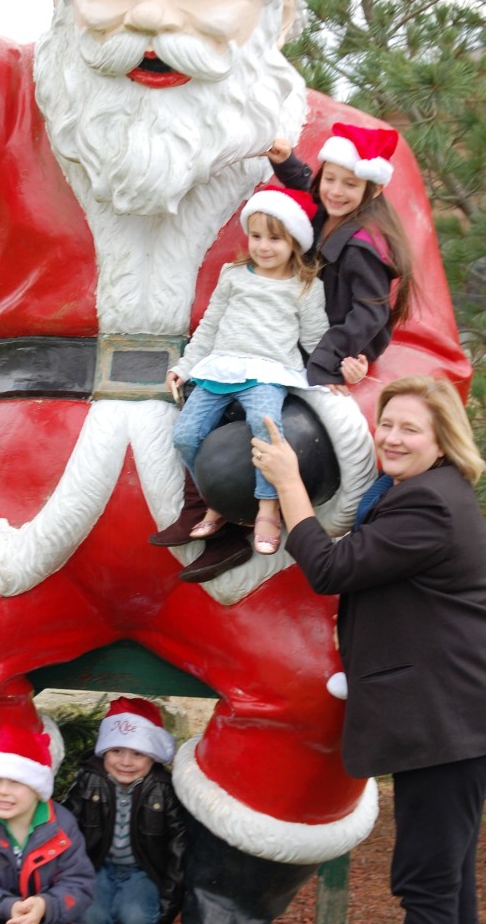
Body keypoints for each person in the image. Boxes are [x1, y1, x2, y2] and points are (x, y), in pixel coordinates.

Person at [0, 0, 466, 920]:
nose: (151, 16)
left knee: (318, 686)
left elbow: (419, 345)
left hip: (243, 506)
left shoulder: (349, 154)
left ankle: (217, 897)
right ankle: (15, 876)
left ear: (277, 3)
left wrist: (330, 428)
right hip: (16, 477)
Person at [252, 374, 486, 924]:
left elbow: (333, 569)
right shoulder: (425, 492)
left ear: (443, 439)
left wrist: (288, 485)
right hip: (454, 720)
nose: (393, 438)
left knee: (426, 884)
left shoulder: (428, 504)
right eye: (386, 424)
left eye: (411, 429)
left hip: (444, 724)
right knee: (448, 884)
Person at [167, 185, 329, 556]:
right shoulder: (233, 275)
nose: (263, 246)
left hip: (269, 372)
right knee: (186, 435)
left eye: (275, 238)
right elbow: (209, 326)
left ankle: (268, 507)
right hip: (220, 368)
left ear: (294, 243)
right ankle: (218, 499)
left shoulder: (304, 287)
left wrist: (332, 373)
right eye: (256, 236)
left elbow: (318, 338)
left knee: (266, 429)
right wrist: (185, 367)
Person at [265, 122, 415, 389]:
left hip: (343, 341)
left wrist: (327, 360)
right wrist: (287, 162)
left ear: (375, 189)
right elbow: (309, 192)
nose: (335, 191)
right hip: (312, 323)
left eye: (350, 184)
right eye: (330, 178)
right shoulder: (331, 210)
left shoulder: (363, 248)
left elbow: (369, 315)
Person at [0, 724, 95, 924]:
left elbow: (78, 884)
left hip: (49, 917)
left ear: (37, 788)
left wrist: (45, 906)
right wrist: (9, 907)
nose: (3, 791)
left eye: (16, 782)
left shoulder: (62, 824)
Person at [62, 697, 185, 924]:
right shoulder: (88, 780)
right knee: (91, 914)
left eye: (138, 753)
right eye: (117, 750)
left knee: (136, 915)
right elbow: (65, 824)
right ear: (104, 752)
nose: (126, 762)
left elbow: (179, 846)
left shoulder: (163, 788)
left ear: (153, 756)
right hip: (96, 864)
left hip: (143, 870)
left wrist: (170, 901)